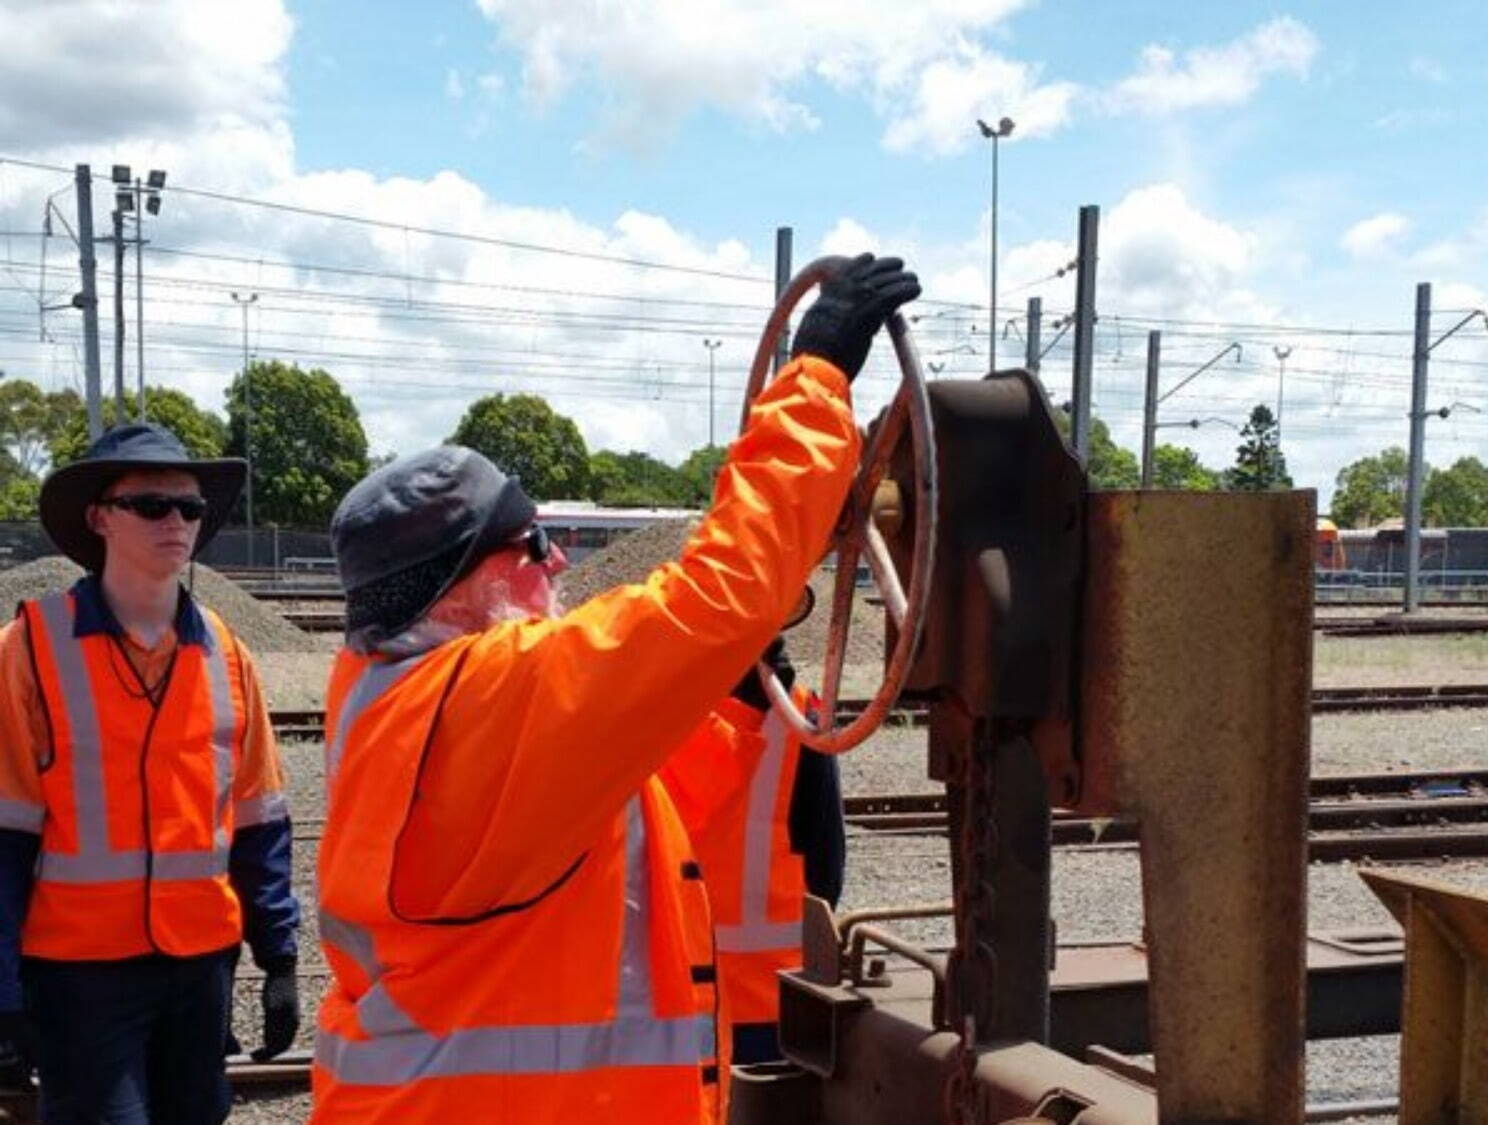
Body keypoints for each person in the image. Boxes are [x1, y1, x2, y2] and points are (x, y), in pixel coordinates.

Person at [313, 253, 920, 1122]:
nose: (556, 561)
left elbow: (615, 808)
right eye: (530, 546)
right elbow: (719, 596)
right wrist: (816, 377)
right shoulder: (482, 696)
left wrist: (742, 692)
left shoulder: (387, 697)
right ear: (461, 585)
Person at [0, 423, 301, 1124]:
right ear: (100, 517)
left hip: (200, 968)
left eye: (190, 508)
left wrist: (279, 955)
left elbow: (260, 817)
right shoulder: (30, 648)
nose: (177, 522)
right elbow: (4, 834)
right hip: (81, 976)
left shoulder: (228, 654)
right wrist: (3, 991)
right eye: (152, 505)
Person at [659, 639, 846, 1066]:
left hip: (668, 996)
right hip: (770, 995)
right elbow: (827, 869)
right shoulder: (797, 716)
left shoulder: (655, 707)